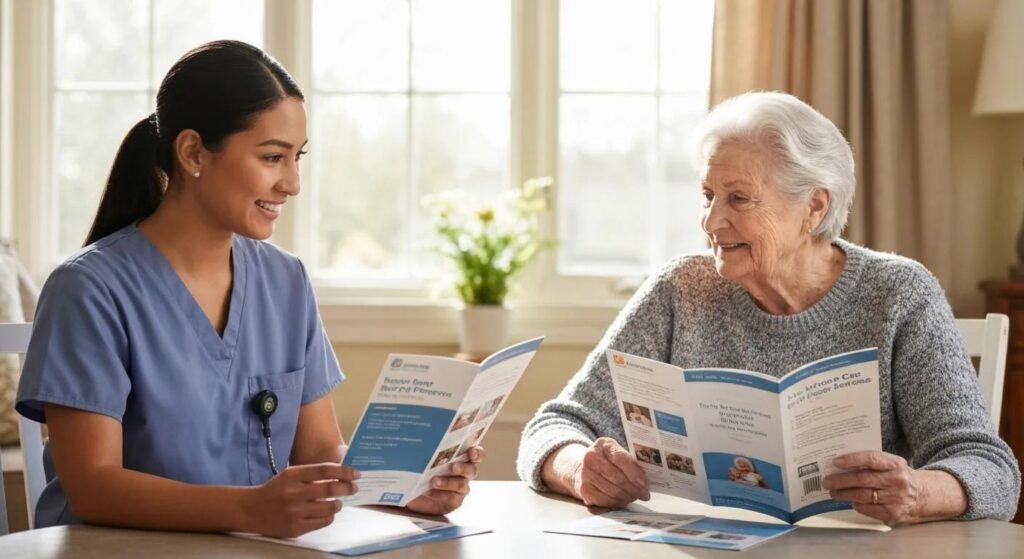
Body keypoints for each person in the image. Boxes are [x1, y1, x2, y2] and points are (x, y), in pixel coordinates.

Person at [15, 40, 483, 537]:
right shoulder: (88, 289)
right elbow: (93, 486)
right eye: (272, 157)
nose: (292, 183)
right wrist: (247, 510)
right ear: (193, 152)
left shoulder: (286, 281)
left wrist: (403, 489)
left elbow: (321, 451)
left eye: (297, 157)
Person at [516, 91, 1021, 525]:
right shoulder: (679, 290)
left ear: (815, 207)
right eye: (708, 195)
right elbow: (554, 427)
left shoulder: (899, 295)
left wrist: (914, 492)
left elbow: (989, 470)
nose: (712, 221)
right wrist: (581, 468)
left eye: (739, 199)